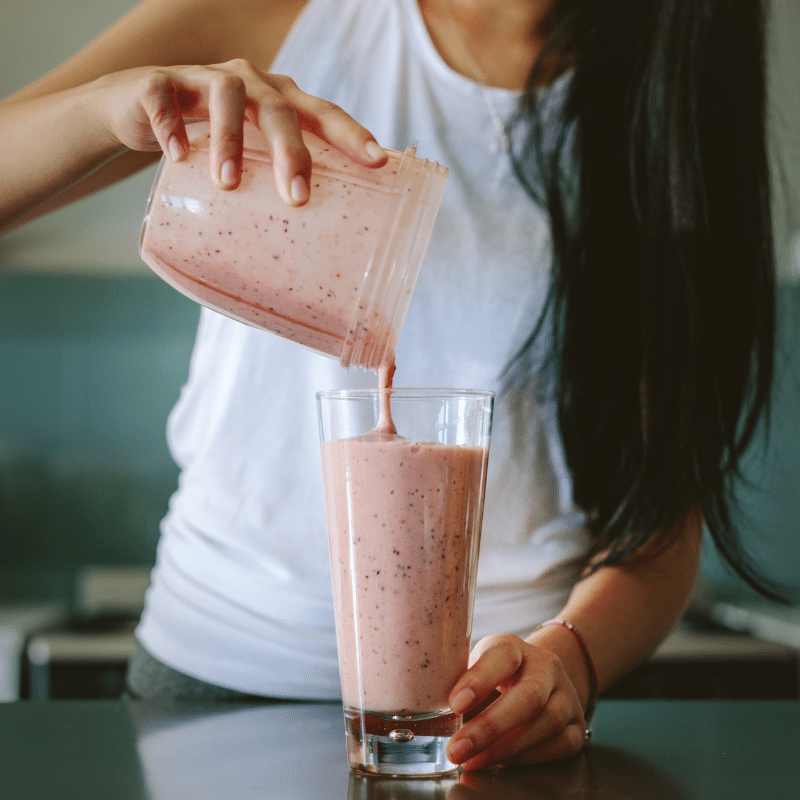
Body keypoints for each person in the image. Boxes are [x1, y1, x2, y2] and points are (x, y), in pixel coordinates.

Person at [0, 0, 785, 770]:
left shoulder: (666, 106)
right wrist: (109, 109)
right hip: (210, 687)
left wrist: (569, 662)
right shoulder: (286, 15)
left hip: (482, 721)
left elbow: (660, 524)